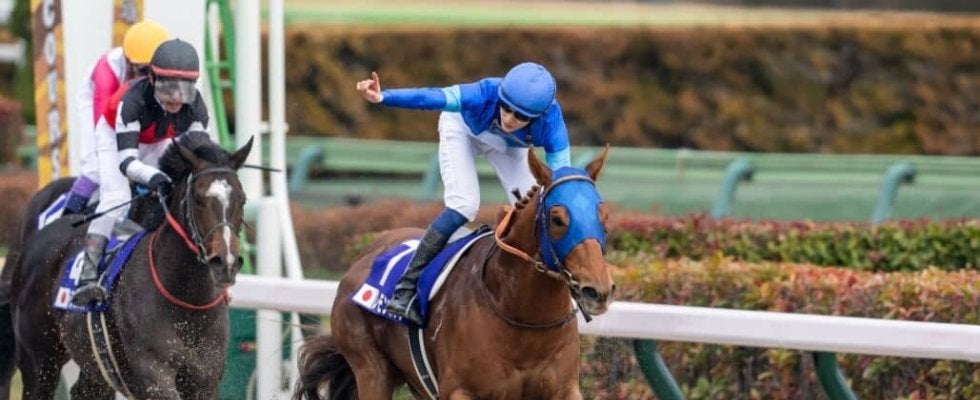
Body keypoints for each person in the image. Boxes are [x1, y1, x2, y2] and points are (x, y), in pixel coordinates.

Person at [355, 62, 572, 325]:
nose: (508, 118)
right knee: (464, 205)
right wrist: (383, 97)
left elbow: (561, 184)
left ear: (539, 116)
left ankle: (557, 288)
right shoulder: (483, 93)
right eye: (505, 107)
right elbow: (430, 97)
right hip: (463, 131)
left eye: (520, 116)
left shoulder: (552, 124)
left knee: (540, 212)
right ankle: (406, 288)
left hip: (509, 147)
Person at [71, 39, 209, 306]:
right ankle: (87, 276)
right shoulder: (132, 101)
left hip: (156, 138)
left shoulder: (196, 107)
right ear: (152, 79)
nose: (176, 98)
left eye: (184, 89)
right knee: (116, 198)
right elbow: (127, 163)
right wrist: (156, 177)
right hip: (114, 137)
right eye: (169, 88)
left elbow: (201, 154)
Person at [63, 19, 170, 215]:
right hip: (101, 109)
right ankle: (66, 218)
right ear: (127, 61)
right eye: (143, 70)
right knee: (95, 169)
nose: (149, 79)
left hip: (132, 110)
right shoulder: (108, 70)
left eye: (156, 72)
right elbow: (105, 127)